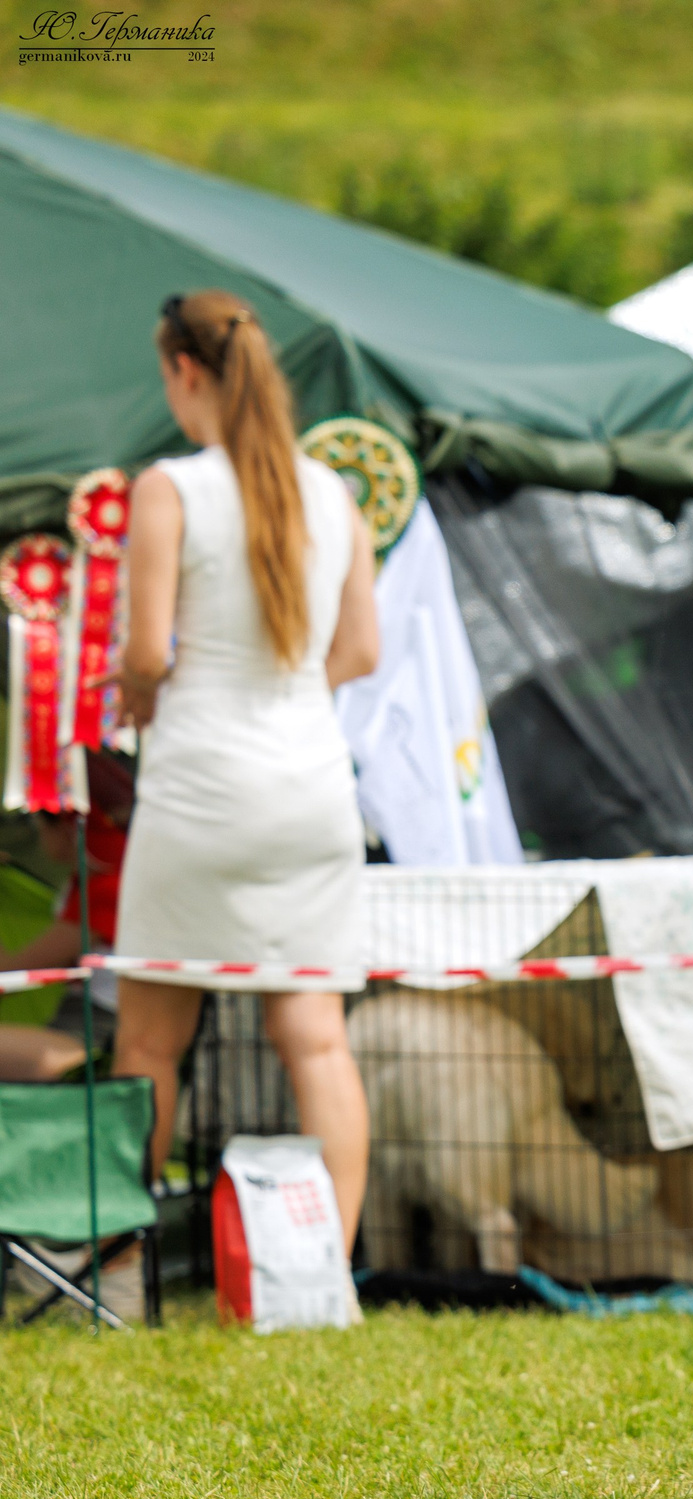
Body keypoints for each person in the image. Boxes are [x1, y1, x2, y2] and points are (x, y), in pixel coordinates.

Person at [114, 289, 380, 1255]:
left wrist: (135, 694)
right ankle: (327, 1272)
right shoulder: (333, 493)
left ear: (185, 372)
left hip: (200, 790)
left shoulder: (169, 489)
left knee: (149, 1043)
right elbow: (358, 651)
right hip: (310, 789)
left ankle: (123, 1260)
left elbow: (147, 651)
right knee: (316, 1040)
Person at [0, 771, 130, 1081]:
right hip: (80, 1027)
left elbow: (10, 974)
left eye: (38, 825)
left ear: (65, 829)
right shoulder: (90, 885)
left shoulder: (104, 890)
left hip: (96, 1040)